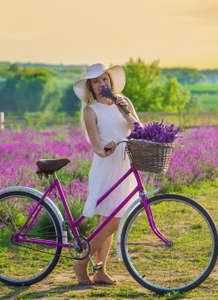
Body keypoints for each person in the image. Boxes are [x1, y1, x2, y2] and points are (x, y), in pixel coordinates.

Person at [72, 63, 141, 285]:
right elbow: (96, 146)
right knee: (112, 221)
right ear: (91, 87)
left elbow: (139, 129)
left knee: (108, 222)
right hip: (106, 167)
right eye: (96, 81)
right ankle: (82, 262)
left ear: (110, 81)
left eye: (105, 79)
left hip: (125, 165)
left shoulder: (124, 101)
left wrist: (126, 113)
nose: (102, 84)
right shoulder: (90, 111)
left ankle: (100, 271)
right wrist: (106, 149)